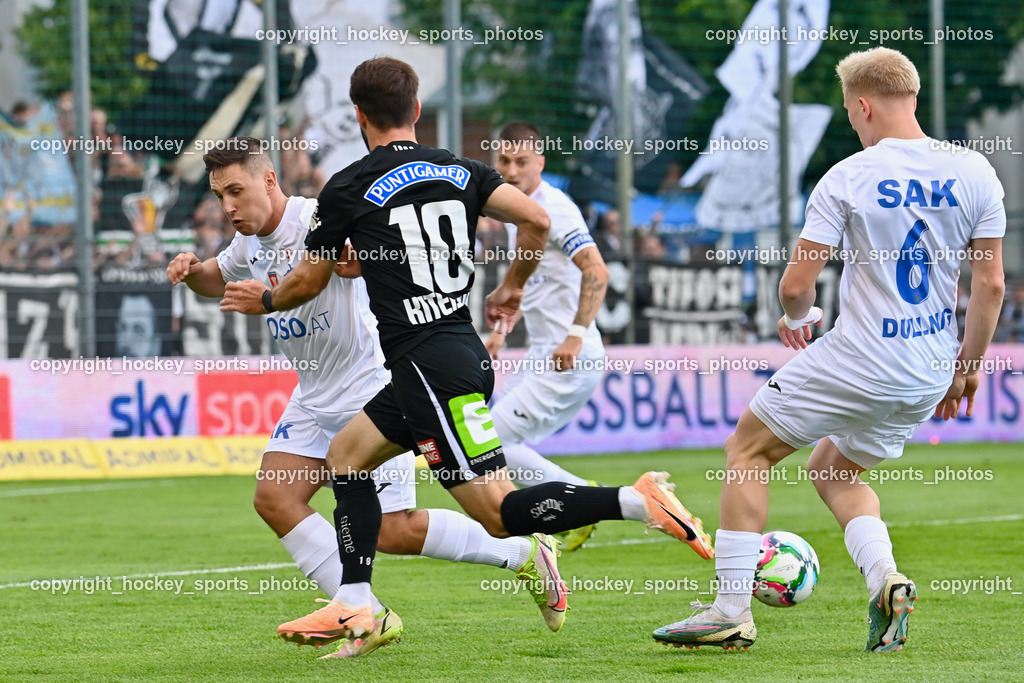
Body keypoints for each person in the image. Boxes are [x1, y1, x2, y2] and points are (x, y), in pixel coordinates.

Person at [220, 56, 714, 649]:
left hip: (431, 370)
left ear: (358, 115)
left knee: (499, 513)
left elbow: (306, 281)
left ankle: (637, 502)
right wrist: (512, 285)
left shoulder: (348, 185)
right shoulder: (460, 169)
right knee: (347, 458)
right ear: (418, 111)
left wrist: (267, 299)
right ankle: (356, 603)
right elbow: (534, 218)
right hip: (446, 355)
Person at [167, 137, 581, 658]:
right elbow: (216, 278)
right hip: (314, 395)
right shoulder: (248, 244)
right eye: (219, 195)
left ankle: (522, 551)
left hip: (370, 387)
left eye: (236, 191)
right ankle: (362, 608)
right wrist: (189, 271)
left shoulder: (323, 214)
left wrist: (352, 261)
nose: (227, 206)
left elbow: (370, 257)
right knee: (275, 498)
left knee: (393, 530)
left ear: (268, 180)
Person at [652, 47, 1006, 652]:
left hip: (861, 356)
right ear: (913, 97)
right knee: (835, 469)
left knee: (746, 450)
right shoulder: (976, 171)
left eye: (849, 110)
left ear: (862, 105)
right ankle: (885, 579)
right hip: (927, 366)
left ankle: (730, 610)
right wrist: (966, 369)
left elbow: (795, 284)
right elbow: (991, 284)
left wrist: (799, 316)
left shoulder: (848, 175)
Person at [485, 121, 610, 551]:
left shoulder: (554, 208)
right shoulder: (513, 209)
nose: (512, 170)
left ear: (540, 163)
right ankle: (555, 514)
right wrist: (500, 331)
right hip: (543, 353)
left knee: (493, 444)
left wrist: (575, 336)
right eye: (504, 160)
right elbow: (527, 285)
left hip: (569, 355)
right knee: (489, 441)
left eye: (522, 161)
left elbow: (597, 270)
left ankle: (580, 501)